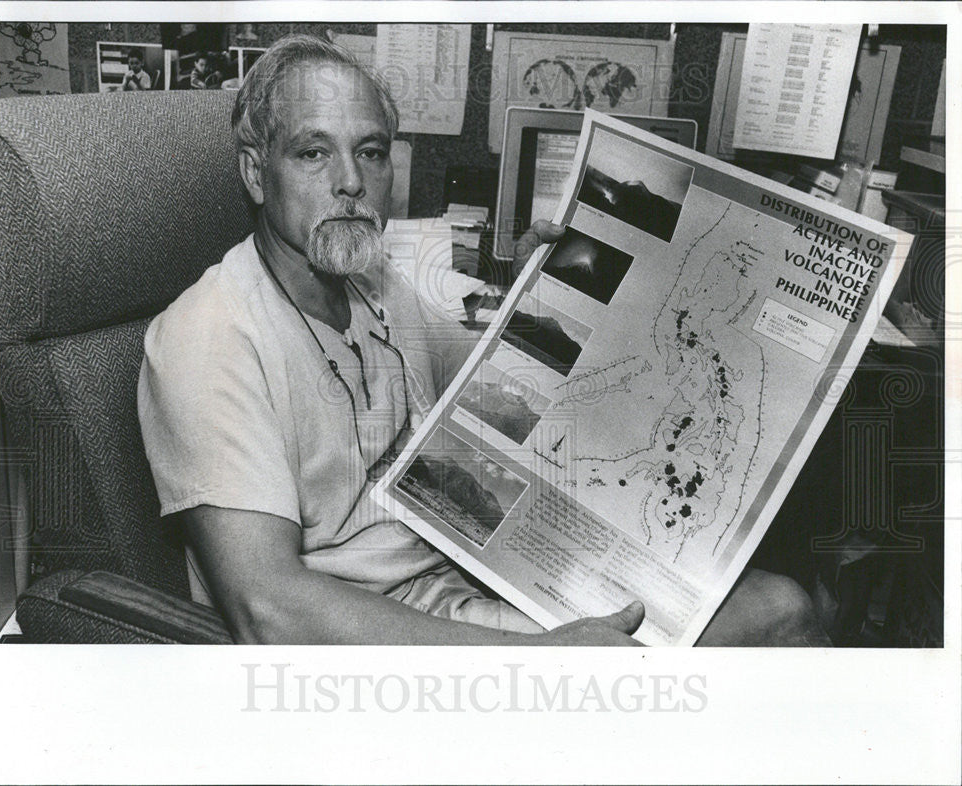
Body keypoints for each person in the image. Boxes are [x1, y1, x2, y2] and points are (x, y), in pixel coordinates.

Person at [138, 34, 829, 646]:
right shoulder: (210, 338)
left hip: (477, 557)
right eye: (314, 152)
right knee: (784, 611)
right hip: (377, 631)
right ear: (258, 173)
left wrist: (548, 292)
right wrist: (537, 664)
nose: (351, 182)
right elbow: (268, 608)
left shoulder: (370, 281)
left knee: (768, 586)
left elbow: (487, 376)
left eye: (370, 152)